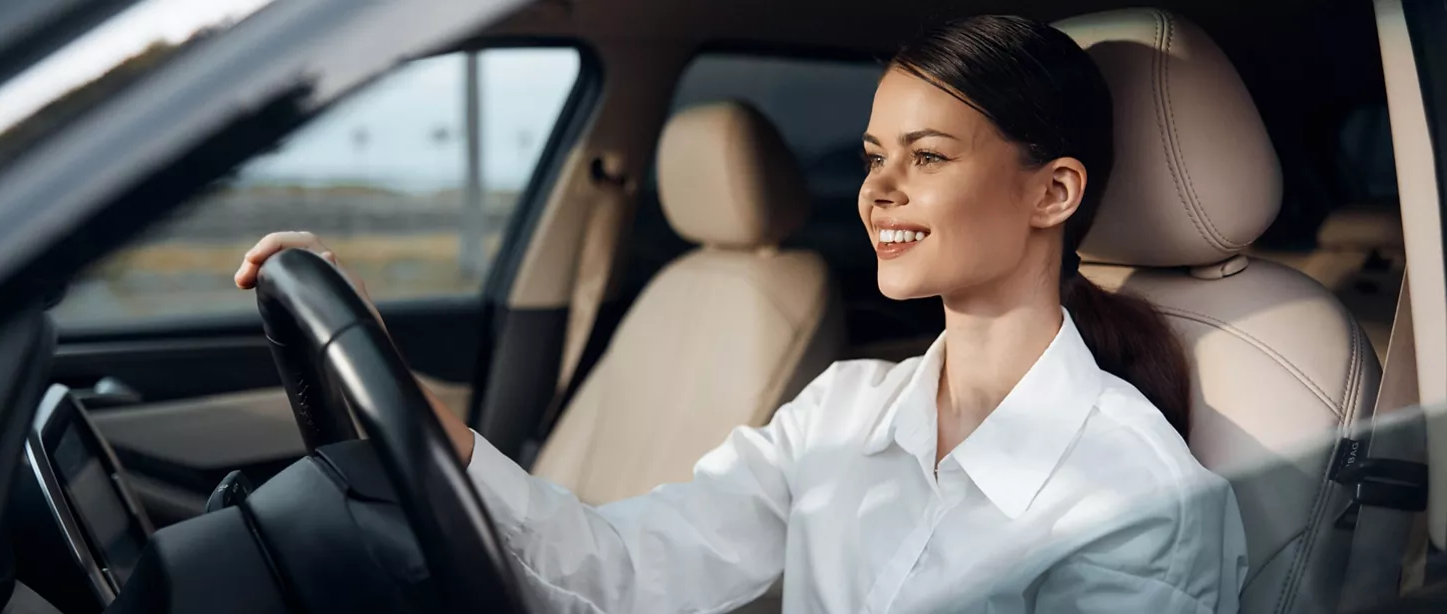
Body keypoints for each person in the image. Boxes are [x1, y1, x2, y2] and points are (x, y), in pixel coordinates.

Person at [234, 15, 1247, 614]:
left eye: (926, 156)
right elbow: (625, 569)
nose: (878, 189)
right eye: (871, 157)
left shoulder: (1142, 498)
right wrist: (426, 423)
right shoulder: (842, 410)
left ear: (1053, 193)